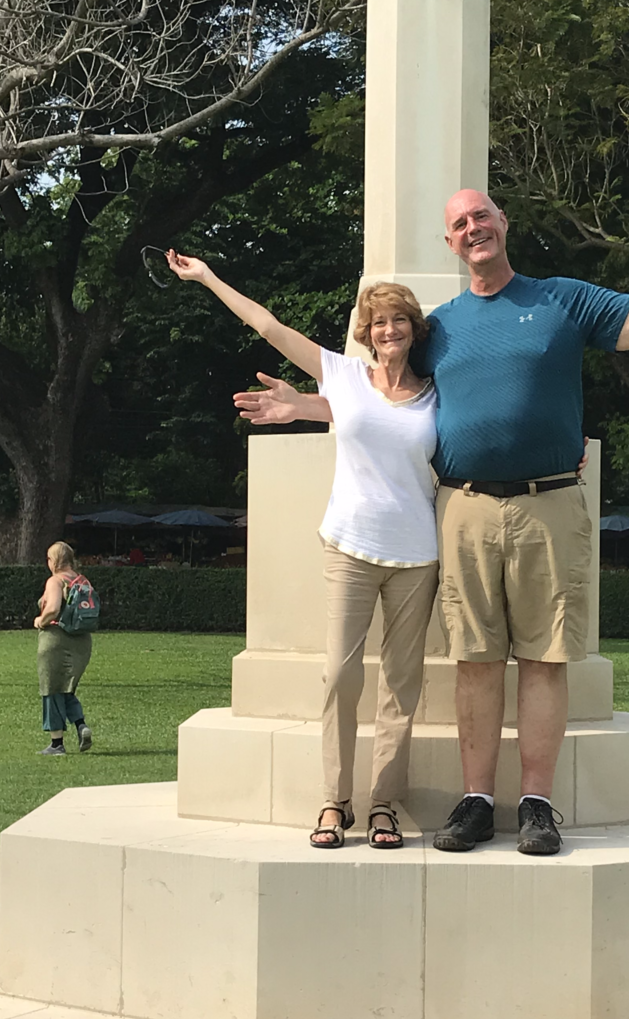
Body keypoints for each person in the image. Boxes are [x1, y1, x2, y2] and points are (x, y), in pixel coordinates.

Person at [237, 191, 629, 856]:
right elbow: (381, 397)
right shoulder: (439, 330)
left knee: (545, 657)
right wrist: (304, 407)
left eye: (481, 216)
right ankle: (477, 801)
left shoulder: (562, 299)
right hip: (465, 508)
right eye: (459, 223)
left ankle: (537, 804)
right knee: (475, 660)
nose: (472, 228)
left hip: (551, 504)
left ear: (503, 225)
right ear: (450, 244)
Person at [167, 250, 439, 851]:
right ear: (365, 335)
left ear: (413, 329)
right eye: (376, 324)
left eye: (398, 321)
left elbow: (497, 424)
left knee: (401, 686)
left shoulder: (438, 396)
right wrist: (209, 277)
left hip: (419, 554)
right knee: (340, 678)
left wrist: (564, 442)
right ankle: (334, 801)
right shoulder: (343, 377)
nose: (387, 331)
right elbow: (268, 326)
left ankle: (385, 806)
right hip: (351, 546)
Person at [34, 541, 94, 756]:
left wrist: (40, 620)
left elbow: (53, 608)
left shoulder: (55, 580)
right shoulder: (82, 580)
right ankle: (81, 725)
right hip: (81, 642)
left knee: (50, 689)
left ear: (54, 561)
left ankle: (56, 743)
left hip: (56, 640)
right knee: (66, 688)